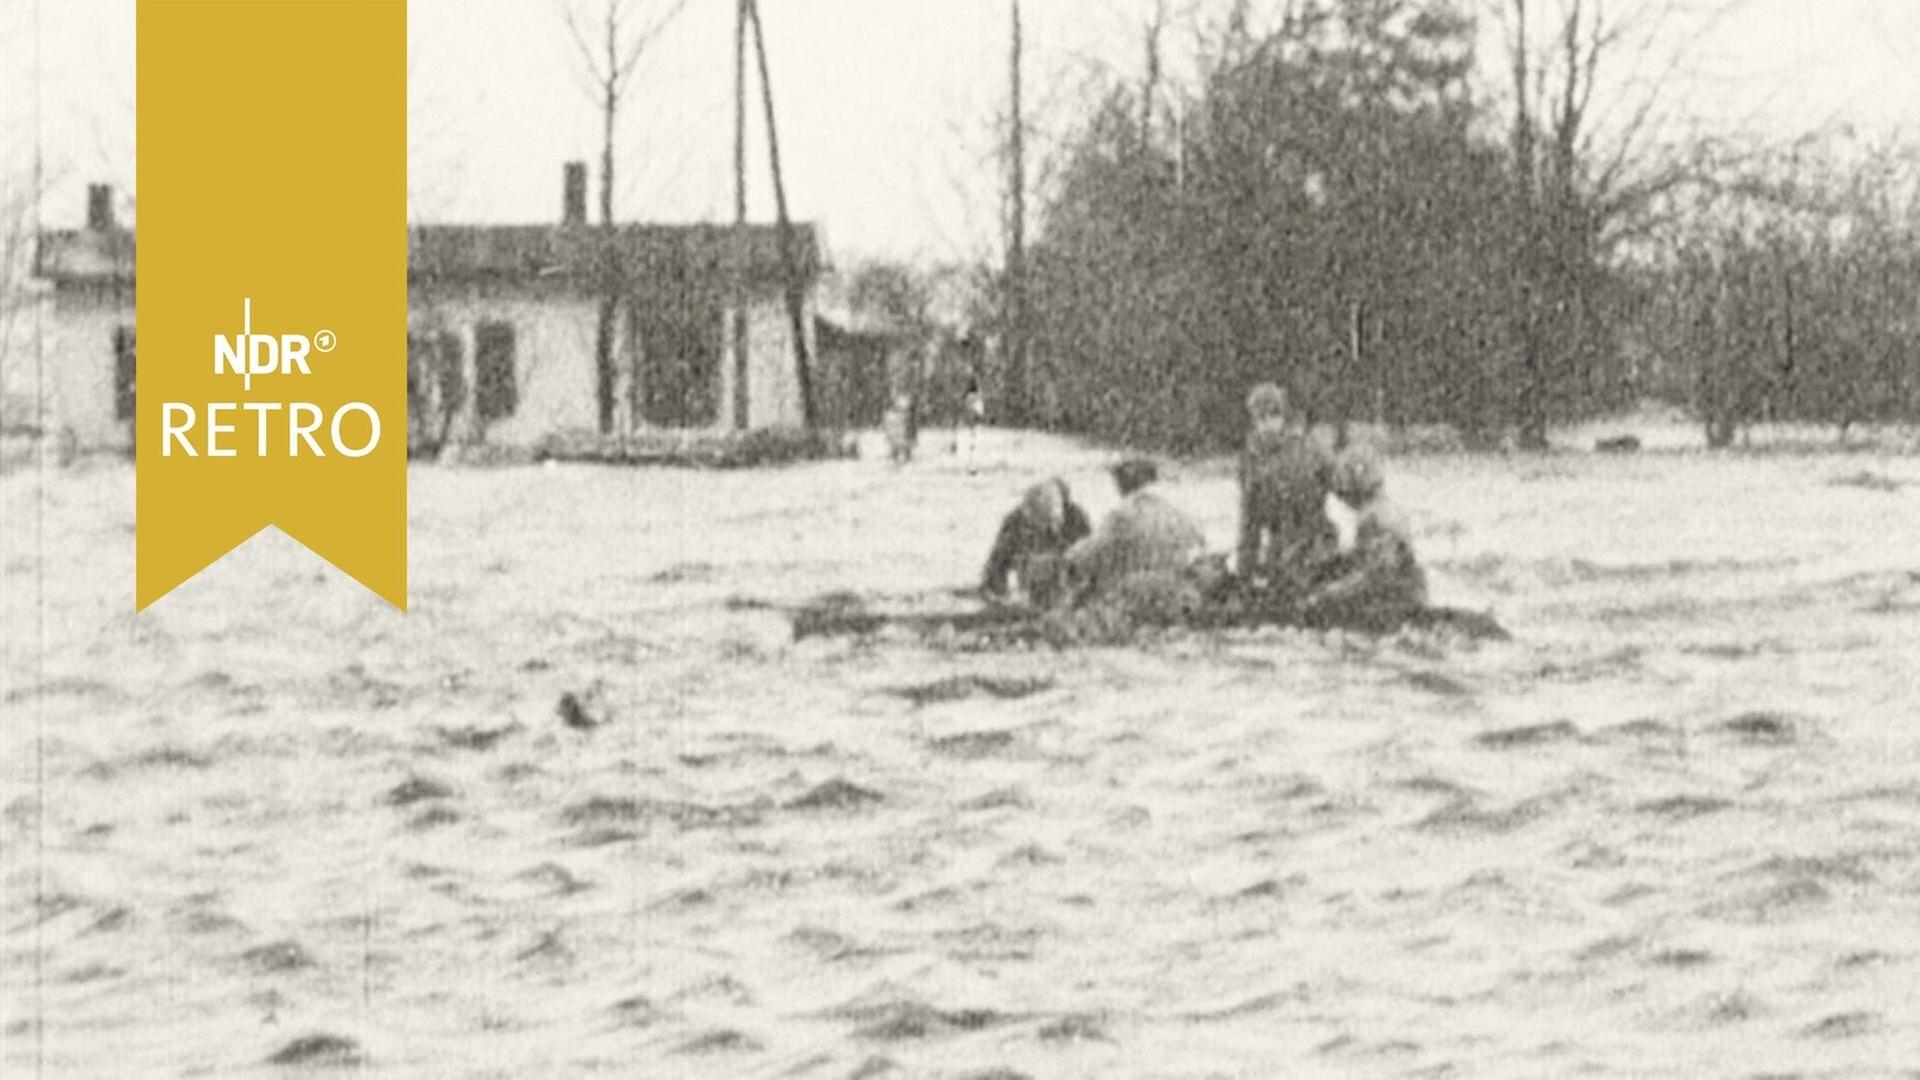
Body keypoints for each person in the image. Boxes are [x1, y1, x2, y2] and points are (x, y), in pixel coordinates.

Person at [1301, 449, 1428, 632]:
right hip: (1411, 592)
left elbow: (1374, 574)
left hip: (1394, 601)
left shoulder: (1371, 517)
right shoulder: (1388, 509)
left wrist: (1328, 594)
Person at [1059, 458, 1207, 609]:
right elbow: (1200, 550)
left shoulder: (1122, 515)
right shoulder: (1180, 515)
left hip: (1132, 598)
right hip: (1173, 595)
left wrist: (1067, 557)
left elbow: (1085, 557)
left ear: (1124, 484)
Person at [1237, 382, 1338, 596]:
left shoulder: (1310, 449)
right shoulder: (1251, 459)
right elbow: (1249, 523)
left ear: (1283, 417)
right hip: (1281, 546)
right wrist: (1244, 573)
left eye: (1273, 415)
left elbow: (1346, 487)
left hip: (1315, 541)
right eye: (1261, 418)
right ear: (1254, 421)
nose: (1268, 424)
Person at [981, 477, 1092, 606]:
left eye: (1051, 523)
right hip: (1030, 587)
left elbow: (1090, 567)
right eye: (1037, 523)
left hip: (1067, 588)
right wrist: (1001, 597)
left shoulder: (1077, 519)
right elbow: (996, 567)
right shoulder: (1015, 522)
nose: (1044, 528)